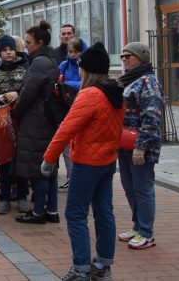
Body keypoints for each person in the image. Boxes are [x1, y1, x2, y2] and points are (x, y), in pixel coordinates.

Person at [42, 42, 124, 281]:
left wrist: (49, 158)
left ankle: (81, 269)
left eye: (80, 66)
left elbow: (66, 129)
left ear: (87, 69)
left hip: (87, 162)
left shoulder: (90, 94)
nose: (77, 69)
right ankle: (103, 265)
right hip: (107, 161)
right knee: (104, 213)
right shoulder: (115, 92)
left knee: (76, 215)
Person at [12, 21, 60, 224]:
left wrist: (15, 112)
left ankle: (39, 211)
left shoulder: (39, 62)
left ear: (40, 42)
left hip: (36, 120)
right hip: (46, 118)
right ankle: (52, 210)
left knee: (38, 167)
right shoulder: (50, 59)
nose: (26, 45)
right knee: (49, 166)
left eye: (29, 42)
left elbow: (28, 93)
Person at [117, 42, 163, 250]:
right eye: (123, 56)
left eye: (129, 56)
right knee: (129, 187)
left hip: (140, 146)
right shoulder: (128, 80)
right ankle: (138, 226)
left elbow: (152, 117)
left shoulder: (148, 82)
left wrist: (141, 146)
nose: (125, 59)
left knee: (142, 188)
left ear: (141, 58)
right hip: (124, 143)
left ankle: (146, 232)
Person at [0, 35, 30, 214]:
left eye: (10, 49)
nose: (8, 52)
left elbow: (32, 88)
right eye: (4, 50)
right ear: (0, 53)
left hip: (23, 119)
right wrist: (0, 97)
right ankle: (4, 197)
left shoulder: (26, 67)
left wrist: (18, 94)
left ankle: (23, 196)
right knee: (5, 159)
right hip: (3, 122)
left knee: (22, 158)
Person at [58, 37, 87, 191]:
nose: (72, 54)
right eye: (70, 51)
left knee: (79, 145)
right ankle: (71, 177)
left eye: (76, 51)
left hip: (80, 107)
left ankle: (78, 178)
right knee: (67, 147)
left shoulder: (85, 65)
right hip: (66, 107)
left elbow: (85, 83)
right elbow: (58, 81)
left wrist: (67, 84)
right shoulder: (64, 65)